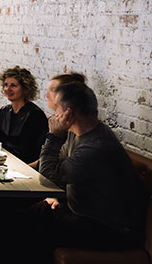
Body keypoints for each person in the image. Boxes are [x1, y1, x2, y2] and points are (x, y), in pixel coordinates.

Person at [37, 82, 143, 255]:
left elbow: (48, 177)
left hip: (108, 229)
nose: (53, 114)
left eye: (56, 108)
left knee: (26, 229)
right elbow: (55, 167)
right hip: (81, 214)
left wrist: (54, 136)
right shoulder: (76, 134)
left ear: (68, 112)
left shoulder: (96, 146)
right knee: (21, 215)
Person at [0, 66, 48, 163]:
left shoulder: (35, 115)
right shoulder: (3, 111)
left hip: (25, 165)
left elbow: (33, 151)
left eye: (13, 85)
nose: (8, 89)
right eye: (6, 85)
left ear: (25, 88)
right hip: (2, 161)